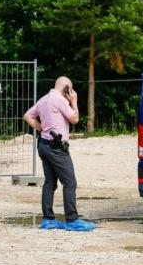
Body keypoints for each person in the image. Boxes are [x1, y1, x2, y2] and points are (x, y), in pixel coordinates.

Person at [23, 77, 95, 232]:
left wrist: (40, 127)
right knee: (70, 183)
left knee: (50, 182)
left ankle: (48, 219)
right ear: (67, 89)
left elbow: (27, 115)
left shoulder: (44, 99)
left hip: (43, 144)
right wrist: (74, 101)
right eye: (71, 90)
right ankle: (72, 220)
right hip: (57, 148)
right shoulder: (60, 100)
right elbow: (75, 119)